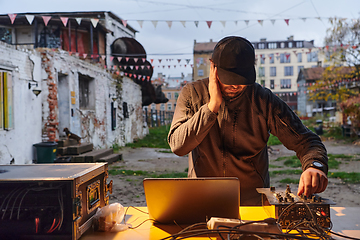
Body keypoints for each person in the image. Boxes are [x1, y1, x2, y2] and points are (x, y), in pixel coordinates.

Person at [167, 36, 328, 206]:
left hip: (252, 204)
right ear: (213, 66)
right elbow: (178, 145)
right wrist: (211, 107)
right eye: (229, 79)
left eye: (241, 80)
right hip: (202, 200)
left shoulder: (263, 100)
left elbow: (308, 142)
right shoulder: (192, 93)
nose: (235, 86)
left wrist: (314, 166)